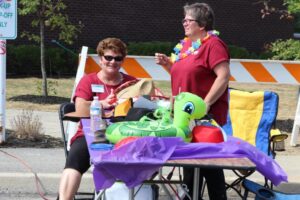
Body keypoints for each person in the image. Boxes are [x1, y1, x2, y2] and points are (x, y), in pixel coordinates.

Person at [155, 3, 230, 200]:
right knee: (189, 166)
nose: (184, 23)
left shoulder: (213, 45)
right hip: (183, 114)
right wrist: (168, 65)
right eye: (184, 20)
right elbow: (184, 76)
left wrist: (205, 103)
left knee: (208, 166)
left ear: (202, 24)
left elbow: (223, 76)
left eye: (189, 20)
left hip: (204, 116)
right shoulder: (185, 45)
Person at [58, 37, 137, 200]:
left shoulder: (131, 83)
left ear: (123, 61)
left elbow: (145, 107)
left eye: (117, 58)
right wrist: (100, 103)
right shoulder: (89, 80)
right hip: (90, 134)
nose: (112, 62)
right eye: (108, 57)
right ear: (101, 59)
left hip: (124, 135)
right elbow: (80, 108)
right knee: (75, 159)